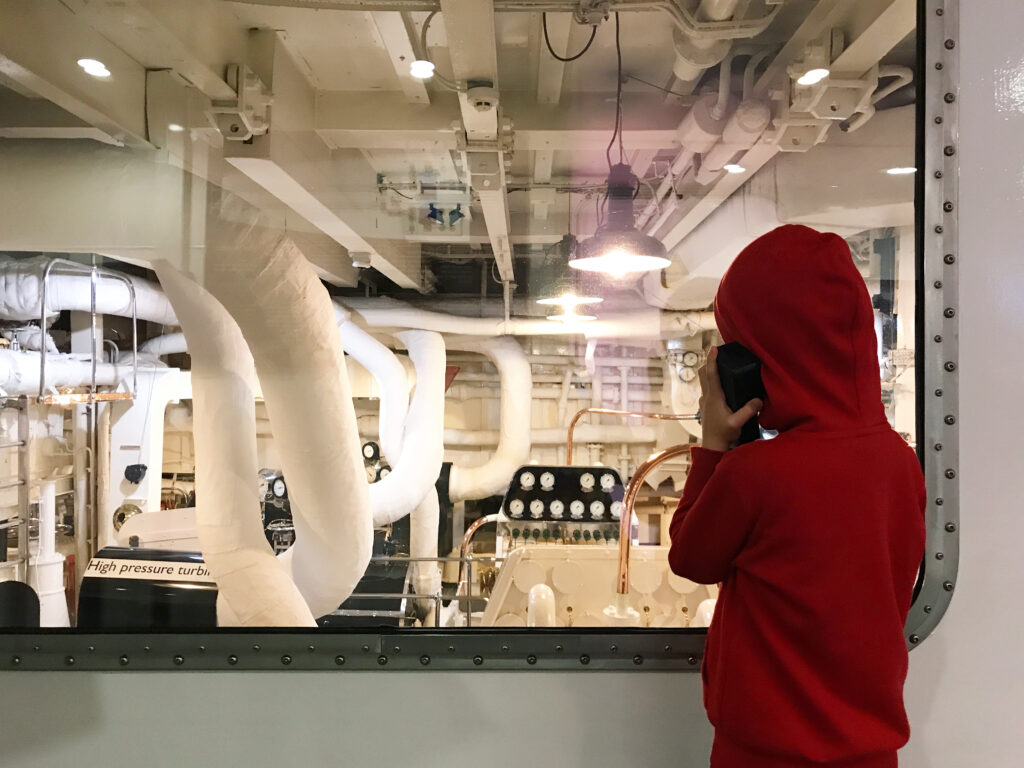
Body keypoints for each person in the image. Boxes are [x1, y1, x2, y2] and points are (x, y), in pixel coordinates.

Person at [668, 225, 926, 768]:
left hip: (762, 753)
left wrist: (713, 443)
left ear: (763, 356)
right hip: (872, 753)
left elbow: (691, 557)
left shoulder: (756, 472)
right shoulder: (900, 463)